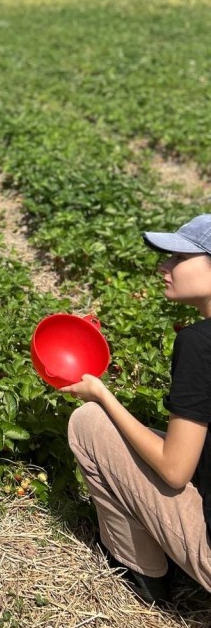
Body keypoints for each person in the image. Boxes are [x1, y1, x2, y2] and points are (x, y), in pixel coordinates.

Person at [65, 214, 211, 604]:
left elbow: (174, 469)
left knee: (90, 423)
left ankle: (144, 573)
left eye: (178, 259)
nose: (163, 267)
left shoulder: (201, 343)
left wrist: (101, 395)